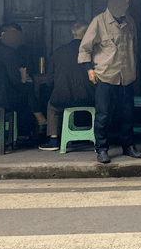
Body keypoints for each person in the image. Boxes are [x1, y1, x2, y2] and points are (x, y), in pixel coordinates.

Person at [79, 0, 141, 164]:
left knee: (127, 114)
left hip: (126, 76)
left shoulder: (130, 22)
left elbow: (134, 47)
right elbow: (85, 48)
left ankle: (128, 146)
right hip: (105, 75)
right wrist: (89, 69)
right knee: (103, 115)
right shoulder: (99, 21)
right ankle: (102, 149)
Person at [0, 23, 47, 132]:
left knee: (25, 90)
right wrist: (23, 76)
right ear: (2, 34)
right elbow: (15, 81)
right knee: (28, 89)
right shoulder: (8, 51)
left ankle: (38, 121)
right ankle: (36, 123)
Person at [38, 21, 97, 151]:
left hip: (63, 99)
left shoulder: (59, 51)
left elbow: (50, 79)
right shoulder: (94, 51)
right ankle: (102, 136)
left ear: (72, 33)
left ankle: (53, 140)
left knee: (52, 107)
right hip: (90, 98)